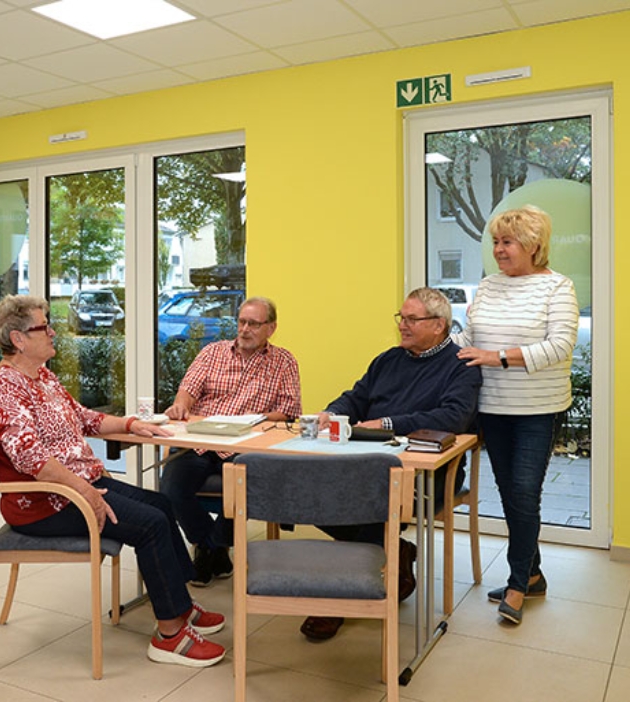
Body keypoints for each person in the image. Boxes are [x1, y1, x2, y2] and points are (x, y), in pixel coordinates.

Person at [0, 294, 226, 667]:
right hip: (46, 503)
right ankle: (170, 635)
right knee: (151, 524)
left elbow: (84, 418)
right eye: (44, 326)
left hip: (77, 486)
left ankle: (180, 604)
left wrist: (131, 425)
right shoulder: (5, 392)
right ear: (18, 339)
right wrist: (86, 493)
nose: (53, 332)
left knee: (161, 503)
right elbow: (34, 461)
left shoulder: (41, 378)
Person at [300, 287, 482, 642]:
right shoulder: (388, 359)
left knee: (371, 500)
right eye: (401, 317)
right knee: (306, 489)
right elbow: (357, 396)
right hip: (366, 458)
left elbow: (454, 417)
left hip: (429, 468)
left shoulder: (461, 365)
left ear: (439, 325)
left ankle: (339, 594)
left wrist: (386, 423)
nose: (403, 325)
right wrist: (332, 412)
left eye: (412, 319)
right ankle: (394, 551)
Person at [456, 205, 578, 625]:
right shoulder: (488, 286)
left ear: (534, 246)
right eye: (496, 242)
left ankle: (516, 583)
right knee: (512, 495)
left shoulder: (558, 288)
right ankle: (534, 573)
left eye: (507, 242)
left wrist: (499, 357)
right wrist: (438, 338)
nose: (499, 250)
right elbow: (469, 337)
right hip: (493, 407)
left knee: (525, 493)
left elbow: (561, 346)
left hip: (538, 410)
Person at [161, 296, 302, 586]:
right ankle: (212, 546)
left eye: (253, 323)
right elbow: (188, 390)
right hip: (202, 438)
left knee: (250, 487)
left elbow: (289, 411)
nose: (245, 329)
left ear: (271, 328)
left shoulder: (284, 361)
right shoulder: (212, 352)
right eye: (241, 322)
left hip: (247, 443)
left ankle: (209, 549)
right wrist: (180, 406)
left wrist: (258, 419)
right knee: (171, 488)